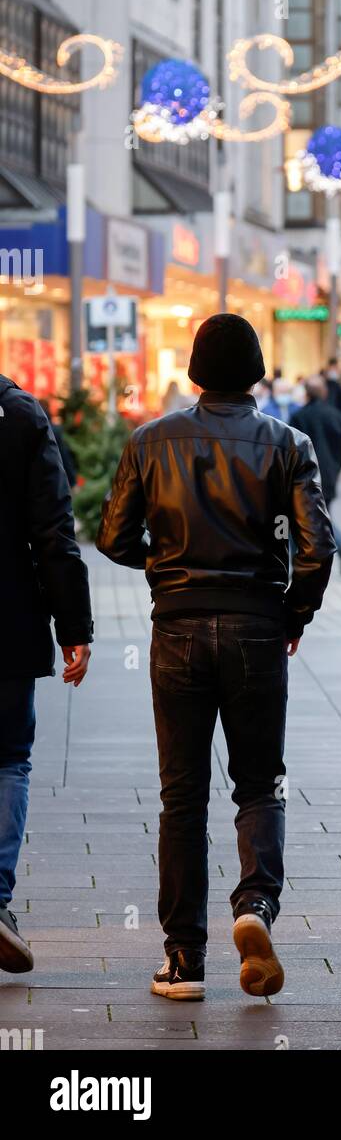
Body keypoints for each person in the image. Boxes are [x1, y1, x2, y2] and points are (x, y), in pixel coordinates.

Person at [97, 314, 335, 1002]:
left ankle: (183, 959)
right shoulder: (287, 443)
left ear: (196, 371)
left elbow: (113, 536)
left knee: (182, 795)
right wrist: (292, 613)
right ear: (256, 371)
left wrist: (166, 567)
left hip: (176, 628)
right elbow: (317, 548)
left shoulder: (150, 440)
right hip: (257, 626)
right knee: (259, 783)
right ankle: (255, 904)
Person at [0, 377, 92, 975]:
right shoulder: (21, 415)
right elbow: (54, 532)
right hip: (8, 624)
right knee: (9, 758)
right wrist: (74, 626)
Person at [292, 375, 341, 575]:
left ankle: (333, 547)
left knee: (305, 517)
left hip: (305, 474)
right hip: (329, 473)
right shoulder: (336, 415)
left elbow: (291, 448)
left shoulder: (299, 416)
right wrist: (336, 468)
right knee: (322, 514)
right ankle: (336, 546)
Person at [39, 397, 78, 490]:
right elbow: (64, 456)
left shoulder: (29, 427)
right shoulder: (54, 430)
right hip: (51, 479)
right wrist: (73, 481)